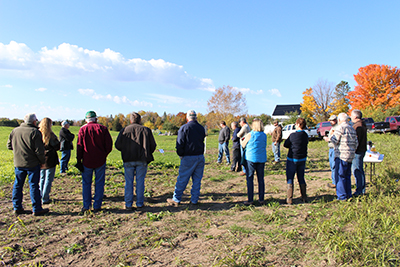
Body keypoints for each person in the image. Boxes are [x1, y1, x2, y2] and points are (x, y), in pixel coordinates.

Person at [7, 113, 49, 216]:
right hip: (32, 164)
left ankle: (17, 207)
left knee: (17, 185)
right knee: (34, 186)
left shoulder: (15, 131)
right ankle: (37, 208)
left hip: (18, 163)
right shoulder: (35, 132)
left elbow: (9, 145)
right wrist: (42, 162)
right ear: (34, 121)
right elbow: (39, 151)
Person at [115, 112, 157, 210]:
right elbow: (153, 145)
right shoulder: (146, 130)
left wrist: (125, 150)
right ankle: (139, 203)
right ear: (140, 120)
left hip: (128, 159)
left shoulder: (124, 130)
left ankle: (128, 204)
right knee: (140, 182)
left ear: (130, 120)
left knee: (128, 182)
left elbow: (117, 145)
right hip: (142, 159)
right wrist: (147, 152)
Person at [167, 110, 206, 206]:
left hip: (188, 157)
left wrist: (180, 154)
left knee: (182, 179)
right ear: (196, 117)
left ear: (187, 118)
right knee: (197, 180)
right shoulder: (201, 128)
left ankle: (176, 199)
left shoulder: (184, 128)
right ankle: (194, 200)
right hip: (200, 156)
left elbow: (179, 143)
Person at [77, 111, 113, 212]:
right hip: (100, 160)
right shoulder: (103, 129)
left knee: (86, 183)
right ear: (96, 119)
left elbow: (79, 146)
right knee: (99, 183)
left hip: (87, 160)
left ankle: (86, 205)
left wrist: (78, 159)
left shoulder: (82, 129)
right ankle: (97, 205)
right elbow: (109, 145)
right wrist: (104, 154)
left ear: (86, 120)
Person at [324, 113, 358, 200]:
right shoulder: (352, 128)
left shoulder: (340, 127)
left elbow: (335, 140)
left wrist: (329, 138)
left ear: (339, 120)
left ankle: (342, 196)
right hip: (350, 155)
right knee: (347, 176)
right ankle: (348, 194)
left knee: (340, 176)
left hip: (341, 155)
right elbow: (356, 143)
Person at [241, 119, 267, 205]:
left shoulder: (250, 135)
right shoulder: (264, 135)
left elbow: (243, 144)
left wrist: (241, 140)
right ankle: (261, 199)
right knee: (260, 179)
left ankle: (250, 199)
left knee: (250, 178)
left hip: (251, 158)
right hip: (261, 159)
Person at [284, 118, 309, 204]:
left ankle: (289, 199)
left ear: (298, 124)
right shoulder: (305, 135)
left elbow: (285, 144)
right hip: (302, 159)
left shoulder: (293, 135)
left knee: (290, 178)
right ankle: (304, 197)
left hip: (292, 158)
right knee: (301, 177)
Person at [38, 117, 60, 204]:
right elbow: (57, 146)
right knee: (48, 179)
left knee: (42, 178)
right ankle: (45, 197)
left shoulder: (38, 134)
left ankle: (40, 195)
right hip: (50, 159)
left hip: (41, 158)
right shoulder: (50, 135)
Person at [351, 109, 367, 196]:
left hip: (358, 151)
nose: (351, 117)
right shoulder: (361, 124)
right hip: (361, 150)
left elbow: (356, 140)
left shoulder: (358, 126)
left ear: (355, 116)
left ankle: (360, 191)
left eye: (351, 116)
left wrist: (353, 150)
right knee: (359, 169)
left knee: (357, 170)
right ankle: (361, 189)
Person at [326, 115, 339, 189]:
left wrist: (328, 139)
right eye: (330, 120)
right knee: (332, 165)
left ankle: (335, 182)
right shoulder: (333, 128)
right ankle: (334, 181)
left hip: (334, 148)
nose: (331, 121)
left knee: (334, 165)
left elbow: (336, 138)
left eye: (333, 120)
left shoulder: (337, 128)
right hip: (331, 148)